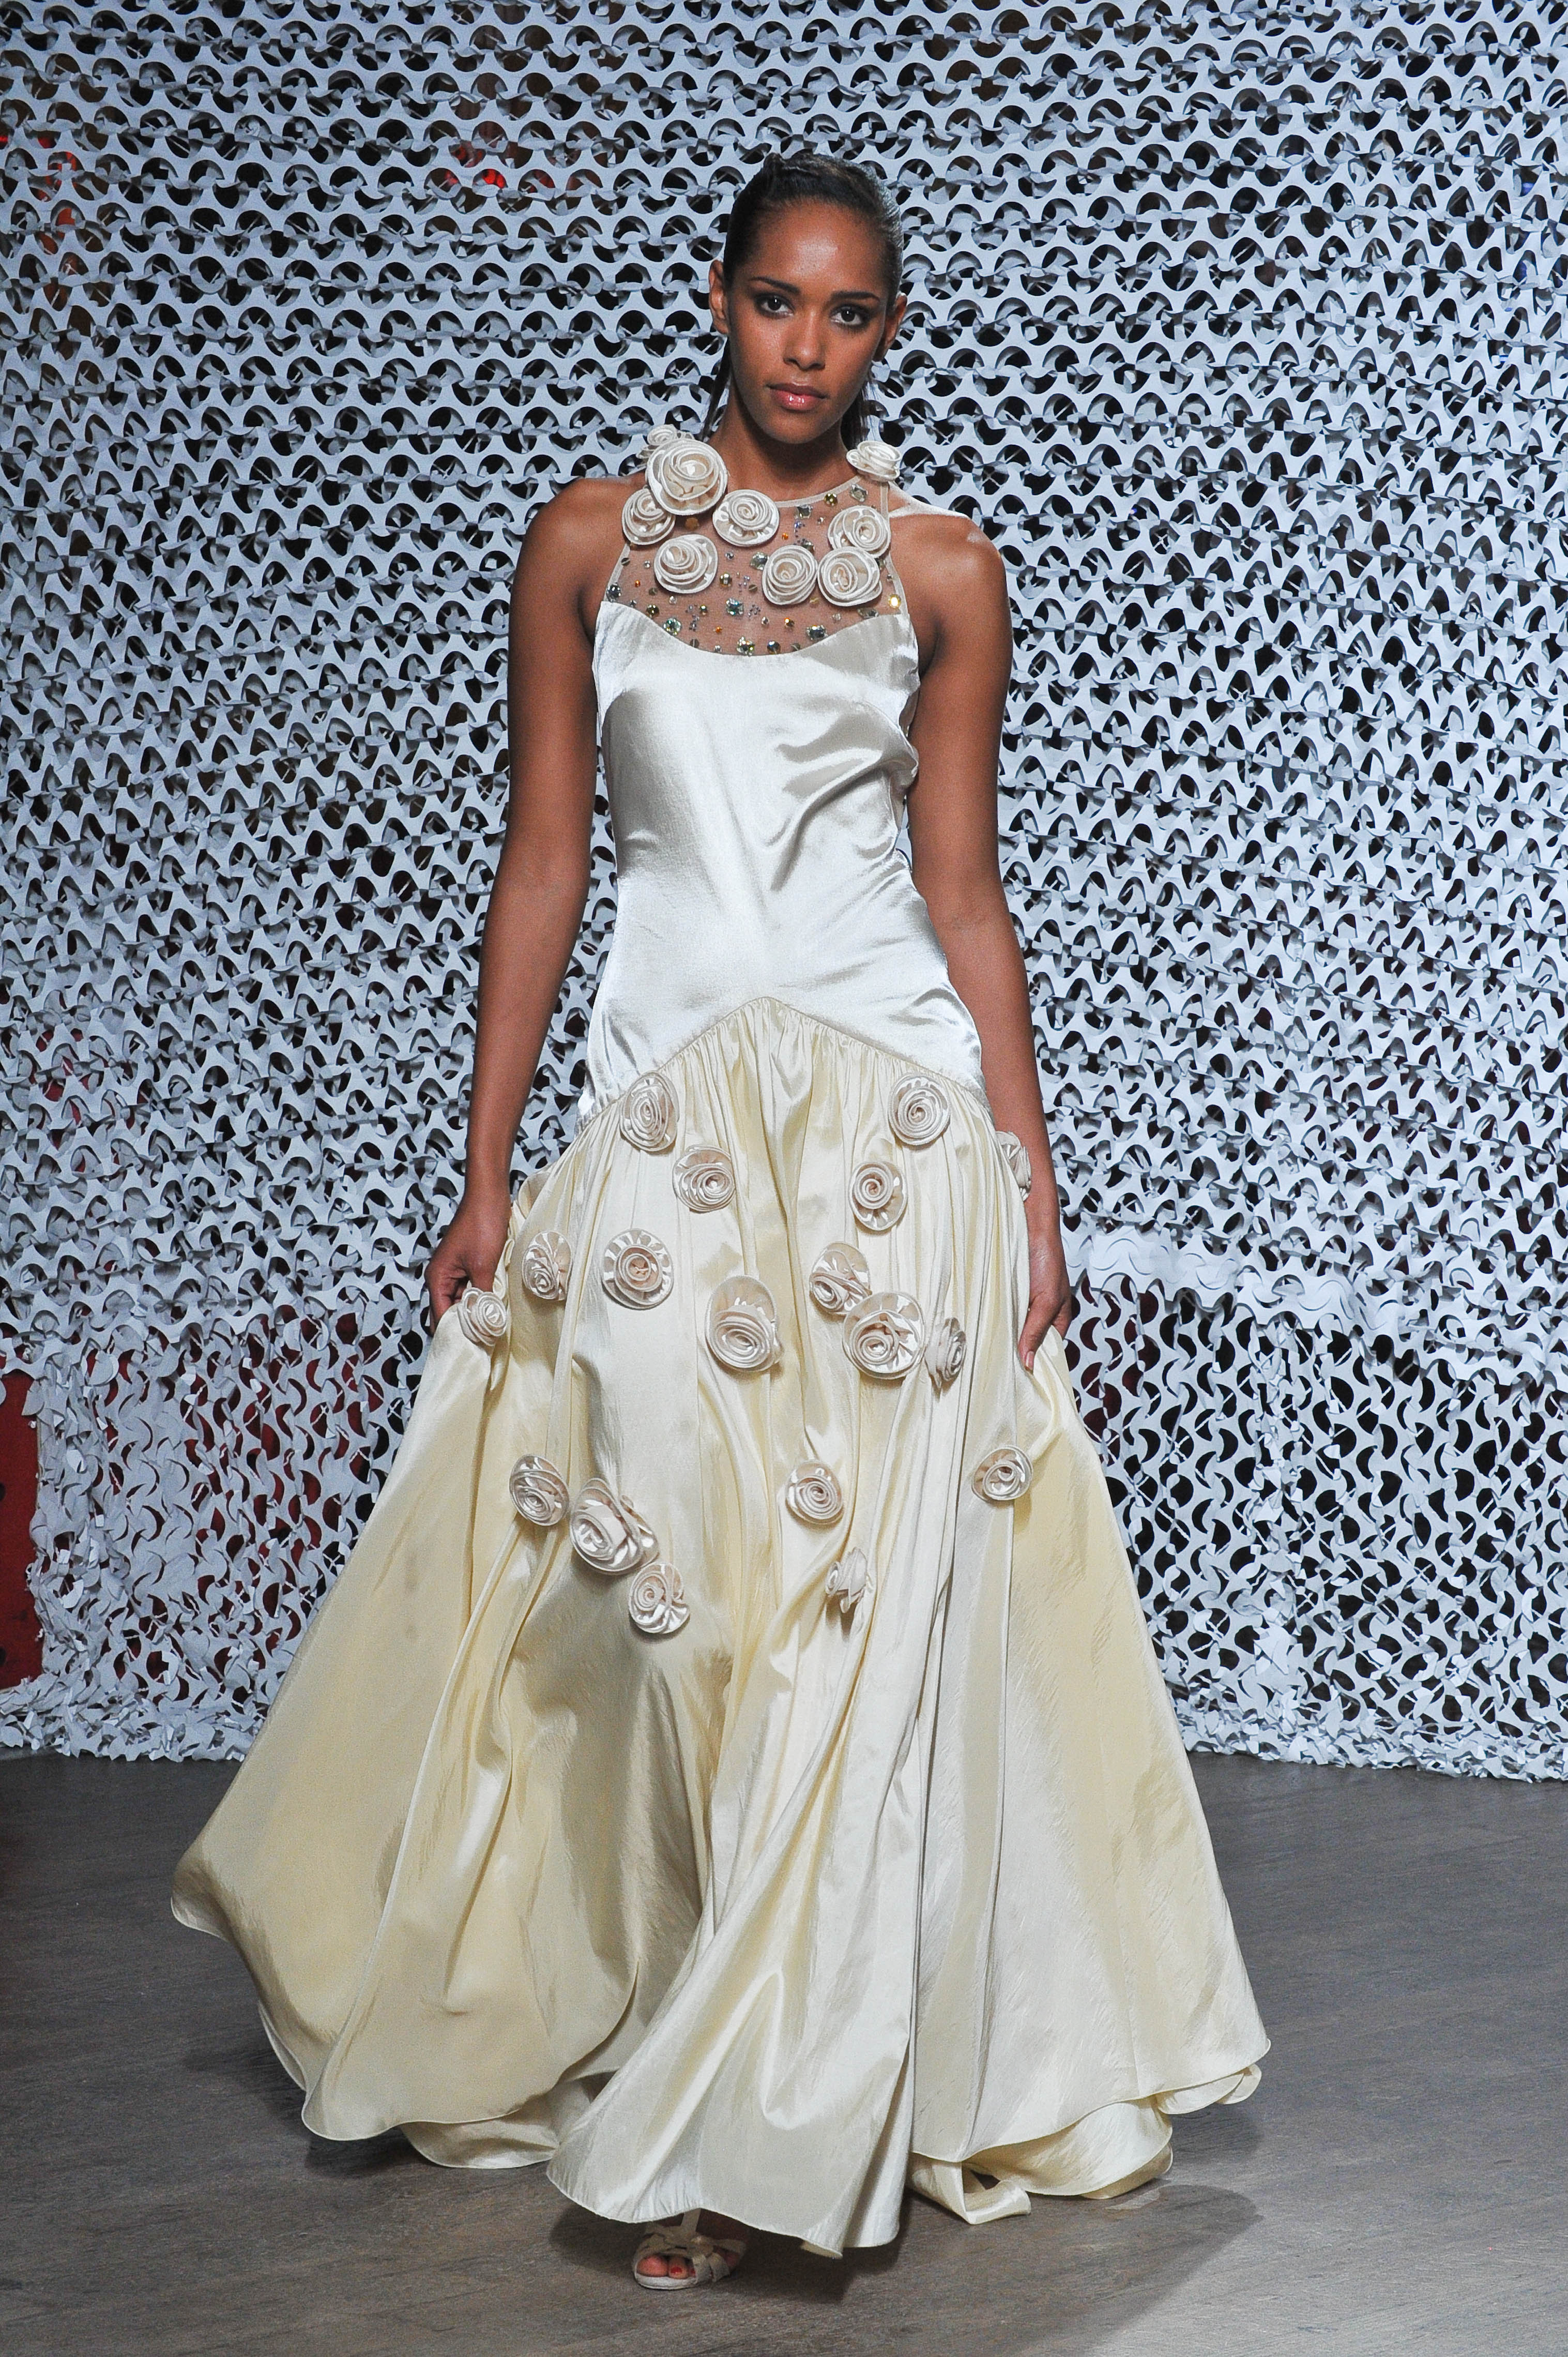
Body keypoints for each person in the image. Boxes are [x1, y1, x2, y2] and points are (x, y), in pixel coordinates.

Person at [173, 152, 1267, 2291]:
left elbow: (964, 893)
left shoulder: (942, 569)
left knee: (851, 1633)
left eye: (847, 314)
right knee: (677, 1605)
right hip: (664, 1134)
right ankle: (714, 2042)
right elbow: (545, 863)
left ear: (886, 336)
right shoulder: (590, 544)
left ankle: (737, 2134)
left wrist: (1031, 1185)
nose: (805, 345)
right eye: (777, 300)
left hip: (894, 1139)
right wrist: (485, 1166)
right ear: (720, 296)